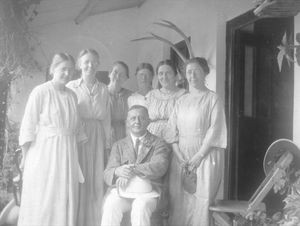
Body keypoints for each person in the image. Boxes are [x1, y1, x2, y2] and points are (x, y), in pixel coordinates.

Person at [18, 53, 86, 226]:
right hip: (44, 153)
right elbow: (28, 126)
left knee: (64, 194)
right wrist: (25, 157)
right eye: (63, 69)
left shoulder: (72, 95)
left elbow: (76, 128)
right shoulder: (40, 91)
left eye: (70, 70)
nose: (67, 74)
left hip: (68, 153)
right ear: (52, 69)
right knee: (45, 196)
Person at [166, 57, 227, 226]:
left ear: (205, 73)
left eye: (196, 71)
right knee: (180, 203)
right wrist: (179, 157)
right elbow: (172, 133)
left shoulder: (213, 99)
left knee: (201, 203)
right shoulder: (180, 101)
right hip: (182, 158)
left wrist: (198, 157)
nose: (192, 75)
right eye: (188, 72)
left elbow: (215, 130)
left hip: (205, 156)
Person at [101, 105, 170, 226]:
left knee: (140, 206)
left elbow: (160, 166)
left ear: (148, 121)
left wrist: (130, 169)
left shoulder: (159, 143)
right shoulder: (119, 145)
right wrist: (117, 171)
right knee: (111, 204)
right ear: (127, 122)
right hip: (124, 191)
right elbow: (107, 173)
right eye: (133, 118)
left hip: (149, 192)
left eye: (141, 118)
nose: (137, 122)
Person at [66, 49, 111, 226]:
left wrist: (107, 143)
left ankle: (95, 221)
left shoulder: (104, 89)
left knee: (97, 177)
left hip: (98, 135)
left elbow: (106, 118)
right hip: (79, 134)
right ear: (79, 64)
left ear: (98, 64)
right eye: (86, 62)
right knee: (80, 176)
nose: (90, 65)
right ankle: (77, 220)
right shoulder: (71, 86)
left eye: (93, 62)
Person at [146, 60, 186, 139]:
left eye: (168, 73)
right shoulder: (151, 95)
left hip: (175, 137)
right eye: (161, 73)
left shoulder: (183, 95)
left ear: (175, 75)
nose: (164, 77)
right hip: (152, 137)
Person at [108, 61, 133, 143]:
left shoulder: (130, 96)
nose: (118, 76)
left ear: (126, 79)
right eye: (115, 72)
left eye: (122, 75)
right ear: (109, 74)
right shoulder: (101, 92)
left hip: (124, 134)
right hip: (105, 134)